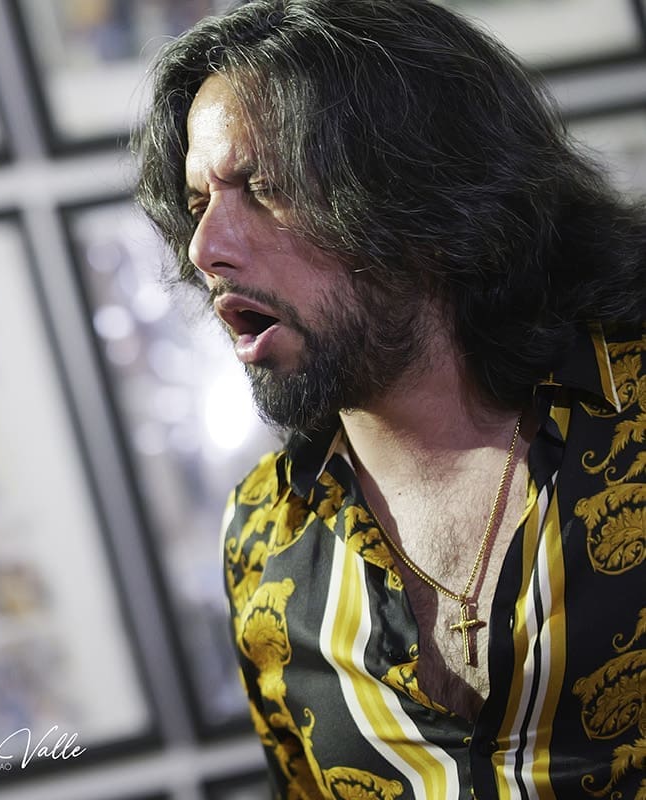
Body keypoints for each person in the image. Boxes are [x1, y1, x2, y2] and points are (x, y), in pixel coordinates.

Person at [133, 1, 646, 797]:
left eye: (262, 187)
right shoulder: (264, 536)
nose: (206, 248)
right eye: (198, 204)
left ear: (424, 195)